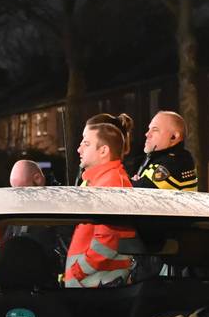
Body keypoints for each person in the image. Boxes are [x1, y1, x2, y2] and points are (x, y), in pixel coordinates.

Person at [64, 114, 135, 288]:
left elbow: (107, 242)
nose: (79, 149)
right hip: (94, 284)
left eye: (86, 144)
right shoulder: (101, 181)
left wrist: (77, 272)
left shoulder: (111, 184)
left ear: (103, 151)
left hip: (98, 286)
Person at [132, 110, 199, 191]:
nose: (147, 134)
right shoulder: (160, 158)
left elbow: (136, 193)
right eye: (149, 129)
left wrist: (135, 183)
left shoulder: (177, 162)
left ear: (173, 137)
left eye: (155, 130)